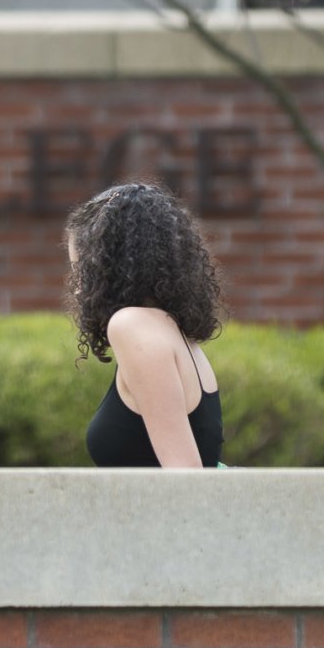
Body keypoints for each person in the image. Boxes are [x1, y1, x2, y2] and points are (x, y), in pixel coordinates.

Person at [66, 183, 225, 468]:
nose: (78, 290)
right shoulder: (174, 331)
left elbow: (186, 476)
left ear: (107, 266)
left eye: (81, 271)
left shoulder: (132, 325)